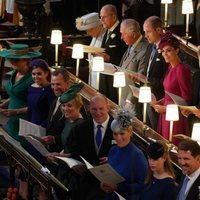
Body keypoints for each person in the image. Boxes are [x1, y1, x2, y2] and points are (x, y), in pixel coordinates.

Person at [70, 94, 114, 200]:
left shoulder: (118, 128)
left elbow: (125, 155)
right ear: (89, 109)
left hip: (109, 185)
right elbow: (75, 152)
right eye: (94, 109)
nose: (98, 113)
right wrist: (77, 165)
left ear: (107, 108)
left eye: (101, 109)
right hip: (86, 184)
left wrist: (113, 160)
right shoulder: (80, 128)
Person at [151, 32, 192, 145]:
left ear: (177, 50)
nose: (165, 54)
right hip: (165, 114)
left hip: (175, 117)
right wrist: (160, 101)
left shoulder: (182, 69)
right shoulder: (170, 67)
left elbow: (185, 100)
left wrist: (164, 109)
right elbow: (170, 94)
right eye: (163, 51)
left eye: (168, 50)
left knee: (173, 147)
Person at [101, 107, 148, 200]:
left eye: (122, 134)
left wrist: (118, 187)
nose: (118, 138)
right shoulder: (113, 150)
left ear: (130, 132)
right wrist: (104, 183)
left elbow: (143, 185)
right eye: (115, 134)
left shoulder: (138, 155)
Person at [0, 44, 41, 142]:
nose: (12, 62)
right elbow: (14, 95)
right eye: (11, 59)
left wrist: (16, 111)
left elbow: (36, 105)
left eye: (17, 59)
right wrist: (2, 105)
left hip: (25, 120)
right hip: (11, 118)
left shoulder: (33, 78)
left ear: (27, 60)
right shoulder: (15, 73)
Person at [119, 18, 148, 120]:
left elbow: (140, 80)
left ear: (134, 34)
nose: (121, 37)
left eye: (124, 34)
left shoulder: (145, 49)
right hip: (123, 96)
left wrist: (129, 101)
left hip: (133, 102)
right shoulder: (131, 46)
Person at [142, 16, 168, 130]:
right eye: (145, 32)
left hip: (159, 99)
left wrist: (146, 80)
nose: (145, 35)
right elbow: (146, 71)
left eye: (148, 32)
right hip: (147, 96)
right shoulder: (149, 47)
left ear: (158, 30)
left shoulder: (167, 50)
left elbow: (167, 79)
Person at [98, 4, 127, 103]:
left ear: (114, 17)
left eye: (104, 17)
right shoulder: (107, 31)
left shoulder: (121, 31)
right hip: (105, 76)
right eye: (100, 17)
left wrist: (109, 59)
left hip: (115, 79)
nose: (101, 20)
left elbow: (126, 57)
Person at [40, 68, 70, 152]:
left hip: (63, 152)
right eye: (52, 84)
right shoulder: (56, 99)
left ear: (67, 84)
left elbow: (74, 133)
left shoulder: (72, 104)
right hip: (51, 151)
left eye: (58, 84)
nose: (55, 88)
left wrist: (54, 139)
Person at [75, 12, 106, 89]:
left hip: (101, 77)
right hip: (92, 75)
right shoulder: (95, 37)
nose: (88, 33)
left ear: (97, 27)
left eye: (89, 30)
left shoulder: (105, 37)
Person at [27, 58, 55, 127]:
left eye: (39, 74)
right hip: (31, 124)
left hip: (43, 127)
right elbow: (30, 109)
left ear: (46, 73)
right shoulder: (31, 87)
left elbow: (51, 114)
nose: (36, 77)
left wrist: (40, 127)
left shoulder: (51, 89)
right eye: (33, 74)